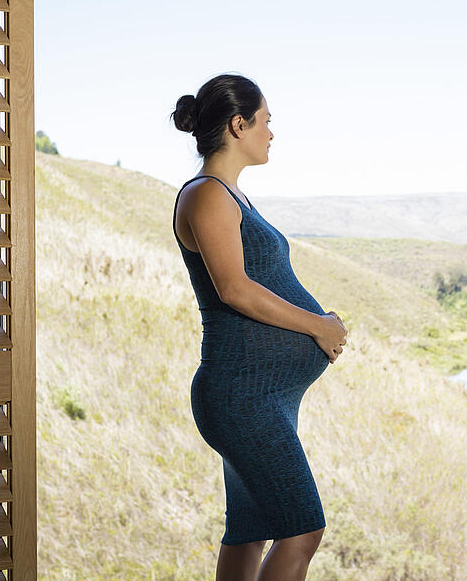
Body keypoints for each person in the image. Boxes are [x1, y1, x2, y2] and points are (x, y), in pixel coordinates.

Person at [169, 73, 348, 581]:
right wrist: (318, 327)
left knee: (248, 533)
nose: (272, 133)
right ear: (238, 123)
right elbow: (234, 288)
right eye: (266, 121)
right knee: (302, 530)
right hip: (241, 396)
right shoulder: (206, 195)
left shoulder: (232, 195)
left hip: (264, 396)